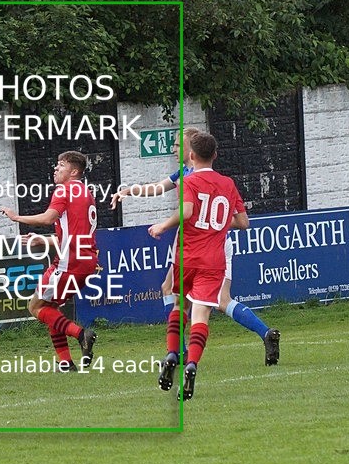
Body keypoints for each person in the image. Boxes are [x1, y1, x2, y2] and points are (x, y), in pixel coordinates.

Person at [111, 128, 280, 366]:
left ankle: (263, 332)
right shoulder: (184, 173)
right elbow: (158, 187)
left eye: (179, 146)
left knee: (218, 301)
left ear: (192, 151)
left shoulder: (202, 177)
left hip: (211, 244)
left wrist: (211, 225)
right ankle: (178, 352)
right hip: (192, 242)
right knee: (169, 289)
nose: (174, 149)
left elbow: (222, 218)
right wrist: (130, 191)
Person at [149, 132, 248, 399]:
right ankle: (191, 364)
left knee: (179, 304)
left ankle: (172, 353)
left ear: (192, 156)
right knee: (201, 315)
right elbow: (243, 222)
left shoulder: (188, 180)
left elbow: (188, 211)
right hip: (213, 260)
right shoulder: (228, 184)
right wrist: (218, 222)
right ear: (215, 155)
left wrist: (163, 224)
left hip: (187, 256)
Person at [0, 151, 98, 371]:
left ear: (74, 171)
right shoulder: (86, 192)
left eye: (61, 165)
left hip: (68, 262)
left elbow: (49, 217)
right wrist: (42, 241)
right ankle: (65, 362)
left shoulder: (64, 189)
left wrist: (17, 218)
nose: (55, 168)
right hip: (86, 260)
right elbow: (69, 233)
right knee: (50, 307)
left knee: (35, 306)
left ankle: (82, 334)